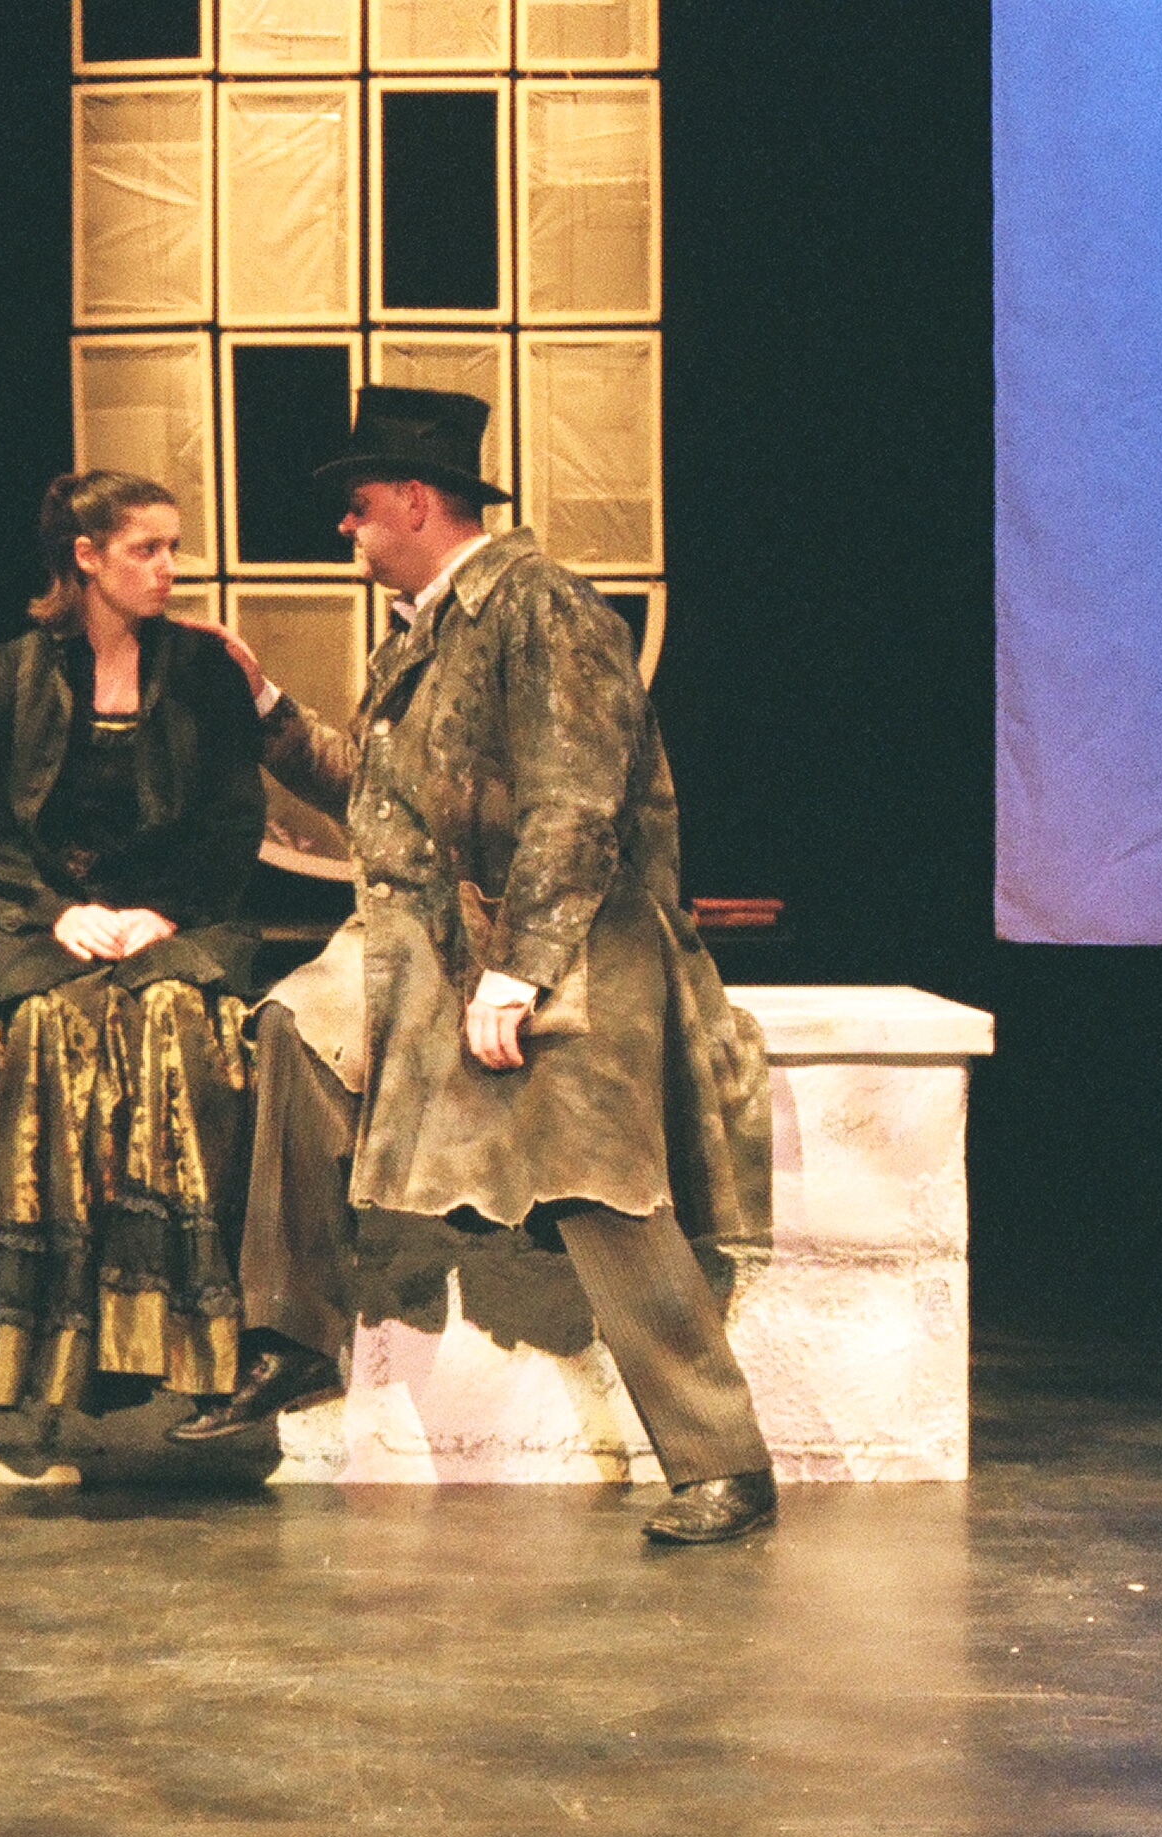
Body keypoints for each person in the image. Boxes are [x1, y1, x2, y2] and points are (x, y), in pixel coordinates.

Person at [166, 388, 784, 1546]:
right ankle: (291, 1335)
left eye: (357, 506)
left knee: (592, 1166)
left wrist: (523, 970)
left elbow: (575, 797)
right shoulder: (421, 634)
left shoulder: (540, 608)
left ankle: (723, 1461)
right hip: (435, 938)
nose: (345, 530)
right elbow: (378, 797)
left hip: (572, 933)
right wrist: (266, 708)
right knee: (296, 1032)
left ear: (415, 499)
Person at [0, 470, 270, 1426]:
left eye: (172, 548)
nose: (168, 568)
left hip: (180, 919)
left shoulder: (201, 672)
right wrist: (52, 912)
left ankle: (169, 1339)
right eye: (146, 549)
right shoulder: (14, 673)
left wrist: (166, 912)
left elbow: (234, 820)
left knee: (170, 1016)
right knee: (33, 1026)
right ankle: (48, 1348)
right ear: (87, 557)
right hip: (56, 922)